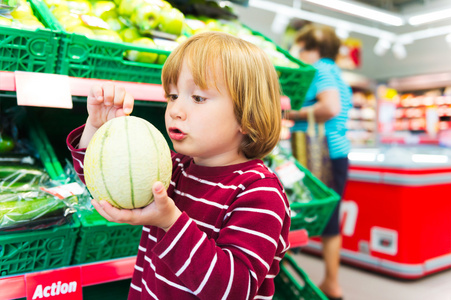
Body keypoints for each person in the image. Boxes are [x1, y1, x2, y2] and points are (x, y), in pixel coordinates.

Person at [66, 31, 291, 299]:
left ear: (247, 115)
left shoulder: (259, 194)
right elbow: (104, 182)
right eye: (172, 96)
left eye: (197, 98)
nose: (175, 110)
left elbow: (234, 290)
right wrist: (97, 125)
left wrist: (170, 222)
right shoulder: (175, 167)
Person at [287, 24, 352, 300]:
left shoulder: (322, 69)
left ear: (313, 49)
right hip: (335, 154)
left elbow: (330, 107)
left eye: (301, 48)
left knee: (325, 217)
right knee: (329, 217)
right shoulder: (336, 71)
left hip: (323, 154)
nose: (298, 54)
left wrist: (293, 113)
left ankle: (332, 284)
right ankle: (330, 282)